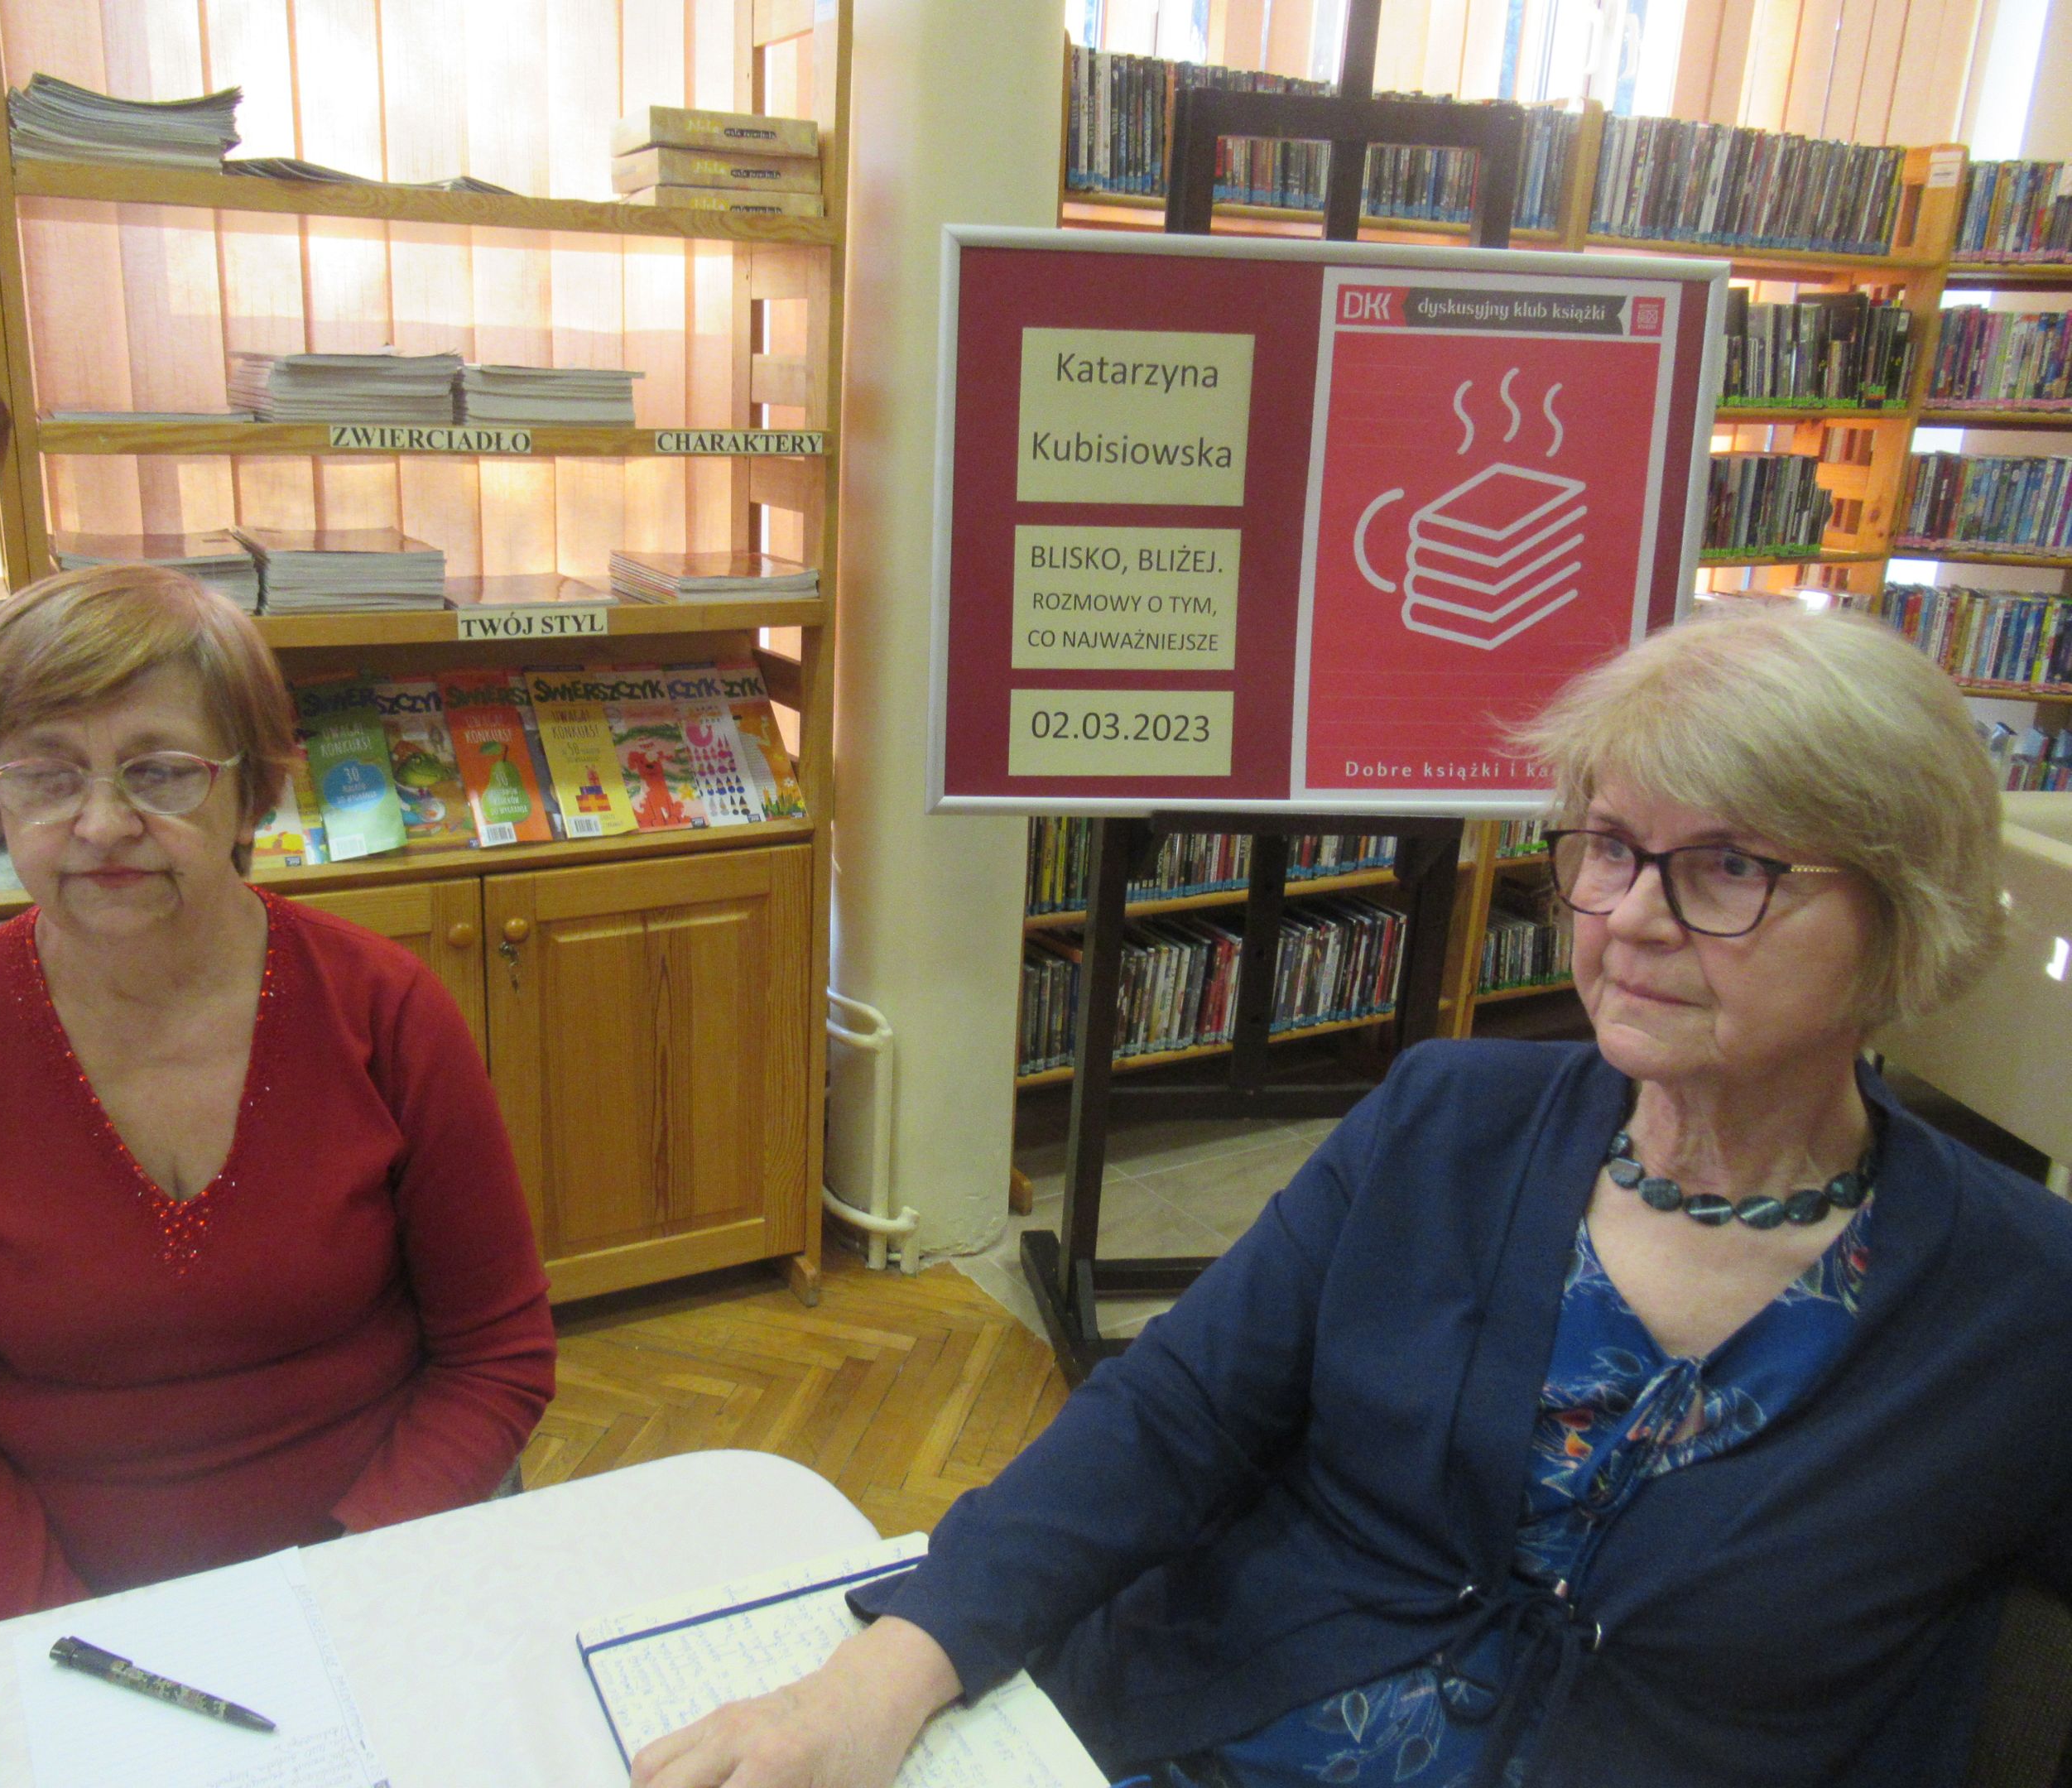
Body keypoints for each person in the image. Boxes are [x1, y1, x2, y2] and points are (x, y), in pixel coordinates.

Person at [635, 603, 2072, 1788]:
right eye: (1611, 847)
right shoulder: (1445, 1121)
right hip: (1206, 1738)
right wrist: (885, 1676)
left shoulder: (2026, 1303)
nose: (1631, 916)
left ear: (1908, 912)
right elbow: (1172, 1416)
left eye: (1730, 868)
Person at [0, 564, 556, 1636]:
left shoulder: (386, 1008)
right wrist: (81, 1650)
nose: (101, 823)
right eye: (46, 775)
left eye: (161, 772)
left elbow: (495, 1355)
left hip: (374, 1571)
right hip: (53, 1611)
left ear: (251, 790)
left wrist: (336, 1601)